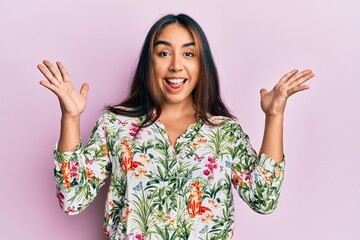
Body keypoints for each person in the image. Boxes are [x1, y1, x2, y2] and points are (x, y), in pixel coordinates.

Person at [38, 14, 313, 240]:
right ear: (150, 62)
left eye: (189, 53)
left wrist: (274, 117)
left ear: (201, 65)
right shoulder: (116, 125)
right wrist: (70, 118)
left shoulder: (224, 132)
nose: (176, 65)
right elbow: (72, 199)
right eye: (164, 52)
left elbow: (263, 199)